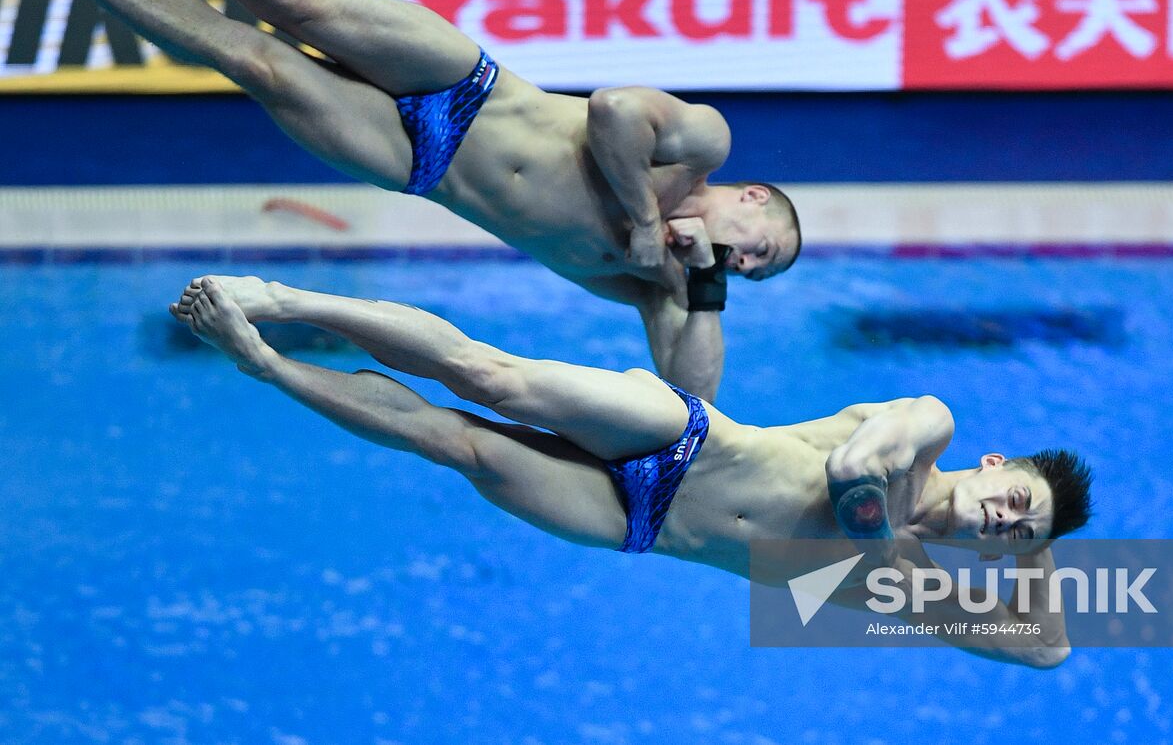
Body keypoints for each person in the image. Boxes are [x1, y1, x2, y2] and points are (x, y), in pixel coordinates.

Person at [3, 0, 803, 401]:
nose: (747, 262)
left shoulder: (657, 281)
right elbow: (614, 110)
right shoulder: (704, 147)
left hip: (421, 163)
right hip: (466, 88)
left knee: (251, 60)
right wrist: (637, 214)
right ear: (754, 197)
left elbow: (692, 401)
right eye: (761, 247)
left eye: (755, 272)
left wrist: (705, 290)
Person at [169, 274, 1095, 667]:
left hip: (645, 524)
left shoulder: (922, 591)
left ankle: (266, 364)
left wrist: (1035, 553)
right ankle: (279, 299)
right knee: (488, 376)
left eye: (1016, 526)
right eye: (1014, 497)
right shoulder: (930, 429)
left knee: (454, 443)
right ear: (993, 463)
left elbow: (1046, 648)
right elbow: (862, 459)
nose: (1002, 517)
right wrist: (872, 517)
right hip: (685, 439)